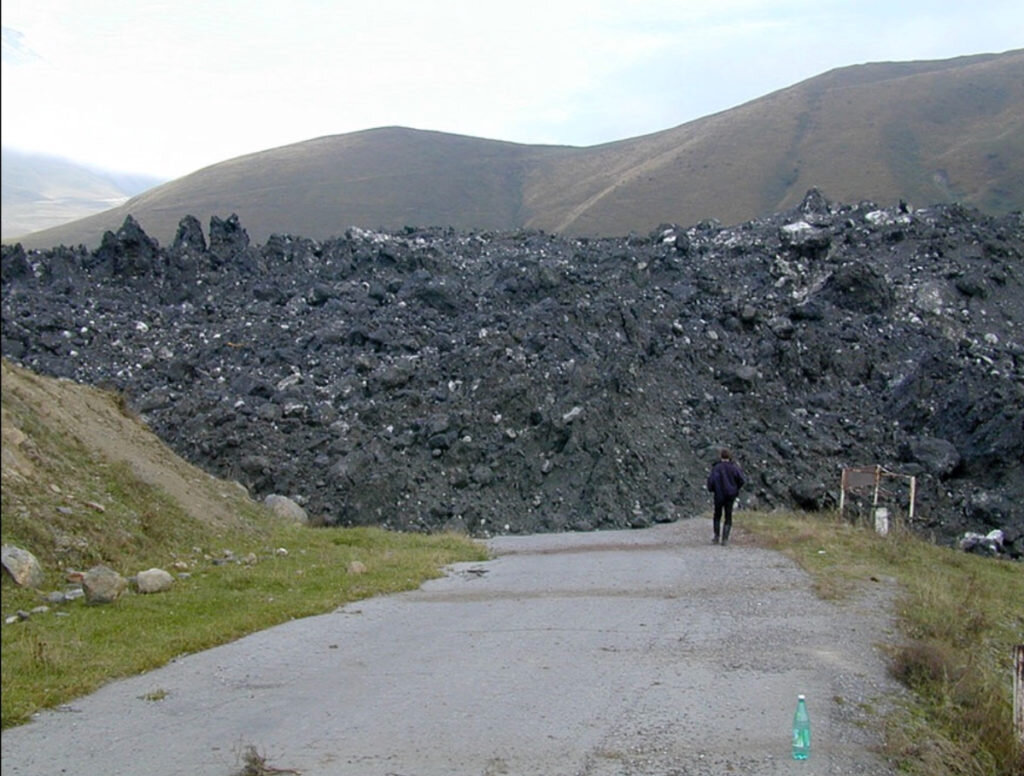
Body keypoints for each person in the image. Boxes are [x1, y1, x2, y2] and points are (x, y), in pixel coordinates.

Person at [707, 448, 745, 545]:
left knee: (717, 515)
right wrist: (736, 489)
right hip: (730, 495)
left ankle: (716, 537)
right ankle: (725, 539)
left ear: (721, 456)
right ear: (730, 456)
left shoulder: (716, 467)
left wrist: (712, 489)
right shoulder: (734, 467)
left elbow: (711, 481)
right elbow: (741, 480)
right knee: (728, 515)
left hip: (719, 494)